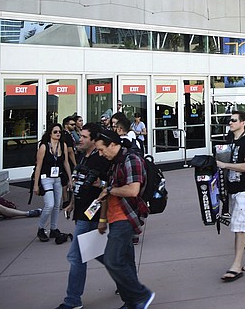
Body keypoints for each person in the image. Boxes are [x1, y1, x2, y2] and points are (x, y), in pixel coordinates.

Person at [93, 129, 154, 309]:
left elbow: (133, 190)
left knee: (112, 259)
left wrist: (109, 190)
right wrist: (103, 218)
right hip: (114, 217)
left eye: (102, 149)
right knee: (123, 261)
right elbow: (110, 189)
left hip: (125, 217)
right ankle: (132, 301)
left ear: (113, 145)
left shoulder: (131, 160)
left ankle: (141, 295)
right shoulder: (114, 162)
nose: (100, 154)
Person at [58, 122, 111, 309]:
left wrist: (103, 218)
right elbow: (79, 182)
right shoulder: (82, 157)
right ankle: (127, 279)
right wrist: (71, 203)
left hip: (93, 214)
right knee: (103, 255)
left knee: (76, 257)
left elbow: (111, 185)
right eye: (80, 136)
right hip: (80, 212)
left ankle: (72, 301)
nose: (79, 139)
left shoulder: (102, 159)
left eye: (84, 137)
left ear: (94, 140)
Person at [215, 111, 245, 282]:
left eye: (233, 120)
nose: (230, 122)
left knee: (238, 226)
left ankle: (236, 266)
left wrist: (225, 164)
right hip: (234, 188)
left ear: (243, 122)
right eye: (229, 120)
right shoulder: (231, 140)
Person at [33, 123, 72, 242]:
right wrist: (36, 184)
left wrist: (70, 179)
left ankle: (53, 228)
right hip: (46, 178)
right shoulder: (44, 147)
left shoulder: (62, 145)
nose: (58, 134)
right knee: (49, 204)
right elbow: (38, 166)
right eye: (55, 132)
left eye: (59, 132)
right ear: (50, 133)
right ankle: (41, 228)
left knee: (56, 205)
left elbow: (65, 162)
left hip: (58, 178)